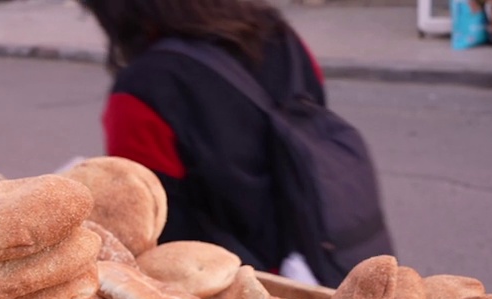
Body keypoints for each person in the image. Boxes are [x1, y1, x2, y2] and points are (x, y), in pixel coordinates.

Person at [80, 0, 327, 274]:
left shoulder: (142, 88)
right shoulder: (280, 34)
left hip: (223, 281)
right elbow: (317, 109)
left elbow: (144, 215)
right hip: (316, 249)